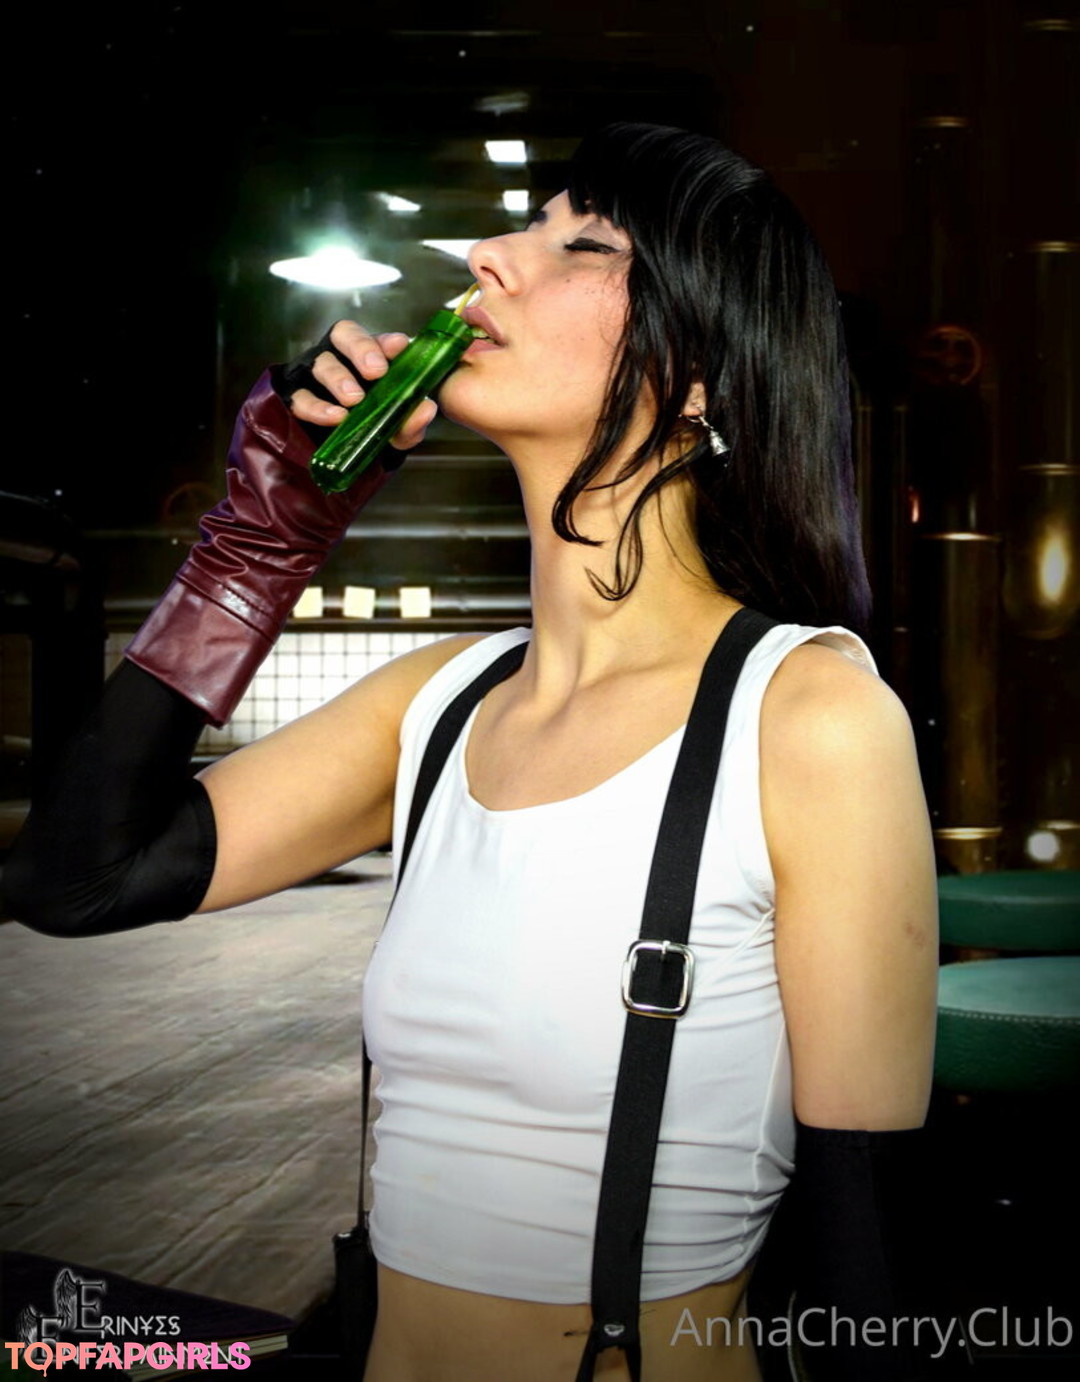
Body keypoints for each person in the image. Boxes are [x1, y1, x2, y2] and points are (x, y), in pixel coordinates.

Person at [4, 123, 938, 1381]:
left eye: (585, 244)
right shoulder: (436, 702)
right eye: (523, 225)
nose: (489, 253)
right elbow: (75, 874)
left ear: (701, 373)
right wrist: (261, 538)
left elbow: (865, 1252)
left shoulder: (808, 716)